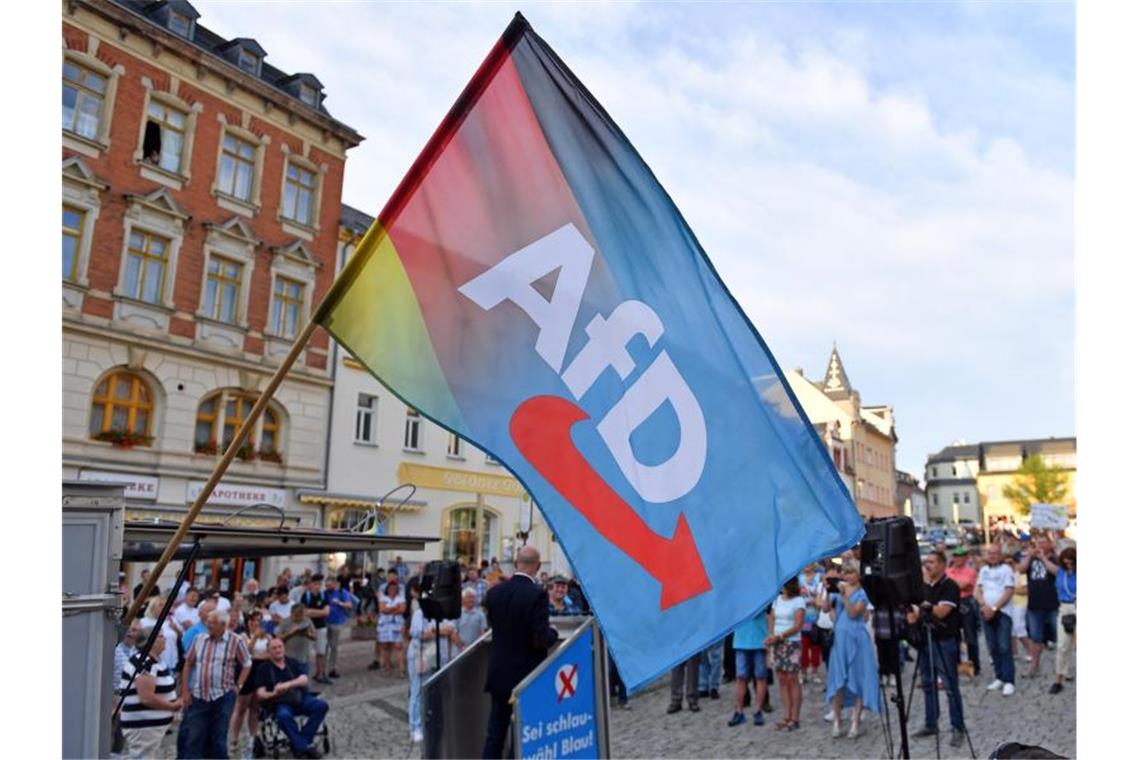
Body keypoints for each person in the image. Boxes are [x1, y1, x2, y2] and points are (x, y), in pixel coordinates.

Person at [482, 545, 559, 758]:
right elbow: (540, 638)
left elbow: (495, 627)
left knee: (495, 732)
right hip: (526, 675)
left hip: (498, 672)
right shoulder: (537, 595)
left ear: (516, 563)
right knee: (525, 731)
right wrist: (553, 633)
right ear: (537, 566)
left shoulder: (494, 593)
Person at [907, 551, 966, 748]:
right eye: (926, 562)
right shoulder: (923, 587)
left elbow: (941, 612)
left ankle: (957, 727)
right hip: (925, 640)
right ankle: (931, 724)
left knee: (950, 686)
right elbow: (917, 612)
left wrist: (924, 606)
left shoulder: (950, 586)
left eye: (931, 562)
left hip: (945, 641)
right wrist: (913, 614)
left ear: (942, 564)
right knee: (927, 684)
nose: (927, 565)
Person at [178, 609, 252, 759]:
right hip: (199, 695)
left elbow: (247, 663)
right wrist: (185, 691)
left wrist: (239, 685)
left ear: (223, 625)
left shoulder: (235, 641)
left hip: (223, 695)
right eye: (208, 622)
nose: (208, 625)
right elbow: (188, 664)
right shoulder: (199, 639)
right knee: (194, 736)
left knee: (218, 738)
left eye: (212, 623)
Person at [823, 561, 880, 739]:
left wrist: (845, 596)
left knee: (859, 678)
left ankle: (855, 722)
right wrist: (828, 591)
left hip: (857, 638)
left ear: (858, 575)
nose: (847, 576)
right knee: (838, 678)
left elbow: (854, 613)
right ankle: (837, 721)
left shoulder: (863, 593)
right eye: (845, 573)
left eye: (851, 573)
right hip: (840, 639)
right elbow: (825, 609)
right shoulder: (838, 591)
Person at [255, 638, 328, 759]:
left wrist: (287, 685)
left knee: (322, 706)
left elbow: (304, 680)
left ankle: (300, 743)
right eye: (274, 648)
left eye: (280, 647)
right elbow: (260, 694)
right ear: (269, 652)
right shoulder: (264, 669)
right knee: (283, 716)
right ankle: (305, 746)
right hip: (281, 702)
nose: (278, 650)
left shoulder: (292, 662)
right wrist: (274, 693)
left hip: (300, 698)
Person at [119, 624, 182, 758]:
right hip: (143, 727)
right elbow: (146, 697)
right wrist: (172, 706)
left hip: (152, 726)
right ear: (150, 641)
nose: (164, 638)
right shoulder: (144, 662)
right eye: (160, 636)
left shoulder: (156, 662)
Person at [229, 609, 272, 759]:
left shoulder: (267, 636)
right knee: (241, 707)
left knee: (255, 707)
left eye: (259, 621)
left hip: (260, 673)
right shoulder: (243, 636)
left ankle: (253, 738)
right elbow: (245, 653)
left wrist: (257, 656)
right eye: (253, 621)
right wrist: (254, 639)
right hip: (246, 674)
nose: (256, 624)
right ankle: (233, 739)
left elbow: (270, 653)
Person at [767, 577, 806, 730]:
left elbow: (798, 625)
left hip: (791, 642)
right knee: (782, 678)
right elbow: (772, 617)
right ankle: (786, 714)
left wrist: (781, 636)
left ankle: (795, 717)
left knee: (792, 678)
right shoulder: (777, 599)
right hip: (777, 642)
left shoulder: (798, 601)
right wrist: (771, 634)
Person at [977, 544, 1017, 695]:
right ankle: (999, 676)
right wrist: (984, 606)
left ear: (1000, 555)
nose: (992, 556)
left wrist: (994, 608)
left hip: (1003, 613)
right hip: (986, 612)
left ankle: (1009, 680)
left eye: (995, 553)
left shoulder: (1006, 570)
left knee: (1004, 646)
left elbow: (1009, 590)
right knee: (992, 646)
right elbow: (978, 589)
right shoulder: (983, 570)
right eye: (990, 553)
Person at [1018, 537, 1059, 678]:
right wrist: (1030, 555)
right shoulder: (1031, 559)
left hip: (1053, 604)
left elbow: (1057, 572)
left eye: (1043, 542)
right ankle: (1034, 667)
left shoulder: (1055, 557)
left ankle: (1062, 669)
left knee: (1060, 638)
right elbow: (1021, 569)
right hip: (1035, 605)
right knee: (1036, 638)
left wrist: (1044, 559)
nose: (1040, 544)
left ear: (1050, 544)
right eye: (1038, 542)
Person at [727, 607, 769, 727]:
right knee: (741, 677)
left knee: (760, 677)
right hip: (741, 639)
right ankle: (739, 711)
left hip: (760, 639)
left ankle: (758, 711)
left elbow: (770, 613)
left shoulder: (763, 594)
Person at [945, 547, 981, 679]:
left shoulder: (970, 571)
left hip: (966, 603)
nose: (958, 559)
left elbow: (964, 585)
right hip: (952, 604)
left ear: (966, 557)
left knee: (970, 636)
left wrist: (951, 584)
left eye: (961, 556)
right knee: (954, 636)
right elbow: (954, 585)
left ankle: (975, 665)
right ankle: (957, 664)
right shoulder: (948, 571)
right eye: (956, 556)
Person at [1051, 546, 1077, 694]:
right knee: (1062, 645)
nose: (1069, 565)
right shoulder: (1060, 572)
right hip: (1065, 608)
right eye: (1066, 563)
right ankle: (1059, 678)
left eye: (1072, 563)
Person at [372, 579, 406, 674]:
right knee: (385, 646)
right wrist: (395, 608)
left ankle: (401, 669)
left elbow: (402, 609)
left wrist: (390, 609)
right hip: (385, 624)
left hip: (397, 624)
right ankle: (387, 667)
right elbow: (382, 609)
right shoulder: (383, 598)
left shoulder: (400, 598)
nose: (392, 590)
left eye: (394, 588)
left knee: (398, 646)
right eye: (391, 588)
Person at [301, 575, 331, 684]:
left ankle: (320, 674)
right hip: (308, 627)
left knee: (321, 652)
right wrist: (319, 612)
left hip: (321, 627)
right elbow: (304, 612)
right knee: (307, 652)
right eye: (316, 584)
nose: (318, 586)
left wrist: (312, 612)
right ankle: (306, 675)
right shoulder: (306, 596)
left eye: (319, 584)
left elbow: (326, 612)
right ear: (311, 584)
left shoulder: (323, 596)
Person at [324, 575, 355, 679]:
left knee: (334, 646)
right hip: (325, 622)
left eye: (329, 585)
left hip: (337, 622)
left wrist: (339, 603)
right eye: (326, 585)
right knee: (325, 646)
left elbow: (349, 605)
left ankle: (332, 668)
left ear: (334, 583)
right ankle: (323, 667)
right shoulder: (325, 593)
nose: (327, 587)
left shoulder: (342, 592)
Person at [799, 563, 824, 684]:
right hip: (802, 618)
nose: (807, 565)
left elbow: (823, 595)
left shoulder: (820, 577)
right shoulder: (799, 579)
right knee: (803, 646)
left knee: (815, 646)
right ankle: (803, 672)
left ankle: (815, 671)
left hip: (816, 618)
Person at [276, 602, 316, 676]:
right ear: (292, 613)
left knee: (304, 681)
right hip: (289, 657)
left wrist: (307, 634)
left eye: (302, 615)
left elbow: (314, 636)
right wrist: (290, 633)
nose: (301, 617)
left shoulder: (307, 620)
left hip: (304, 657)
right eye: (299, 615)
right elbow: (278, 639)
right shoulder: (284, 622)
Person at [1009, 557, 1031, 661]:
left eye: (1010, 562)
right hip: (1009, 604)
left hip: (1020, 603)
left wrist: (1010, 591)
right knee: (1011, 629)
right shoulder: (1005, 575)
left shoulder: (1021, 574)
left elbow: (1026, 590)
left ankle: (1031, 651)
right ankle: (1014, 652)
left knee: (1019, 627)